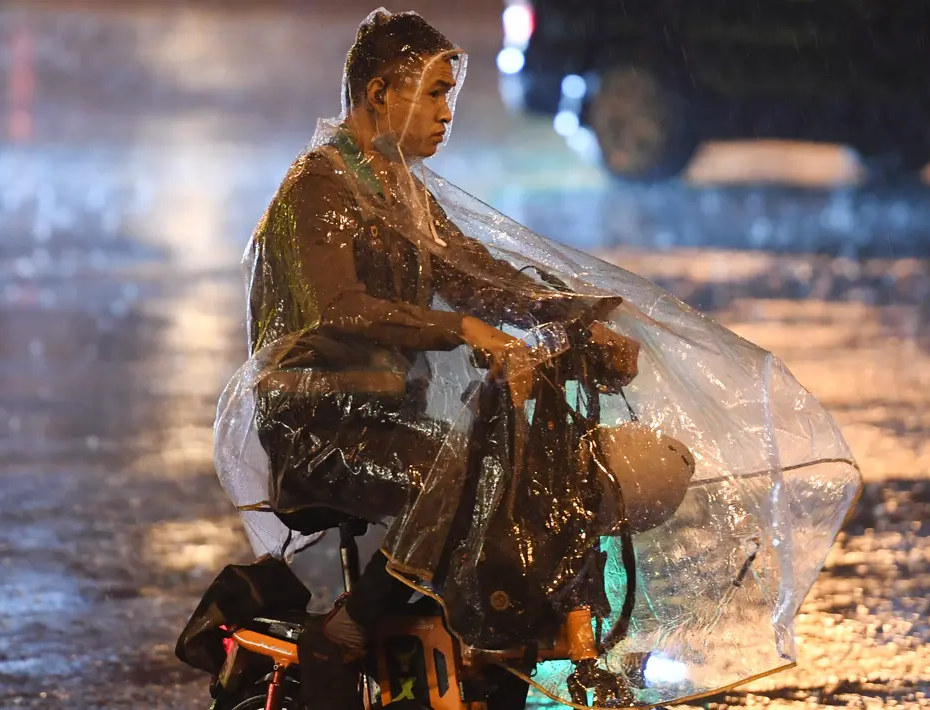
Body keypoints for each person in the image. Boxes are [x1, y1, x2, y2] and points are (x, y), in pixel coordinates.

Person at [241, 9, 637, 705]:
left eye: (448, 95)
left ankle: (496, 663)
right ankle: (348, 626)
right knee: (463, 482)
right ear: (377, 96)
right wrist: (460, 329)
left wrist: (578, 315)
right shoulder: (317, 189)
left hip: (388, 415)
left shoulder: (402, 192)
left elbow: (475, 273)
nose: (445, 113)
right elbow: (341, 310)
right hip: (318, 426)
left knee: (532, 480)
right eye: (430, 93)